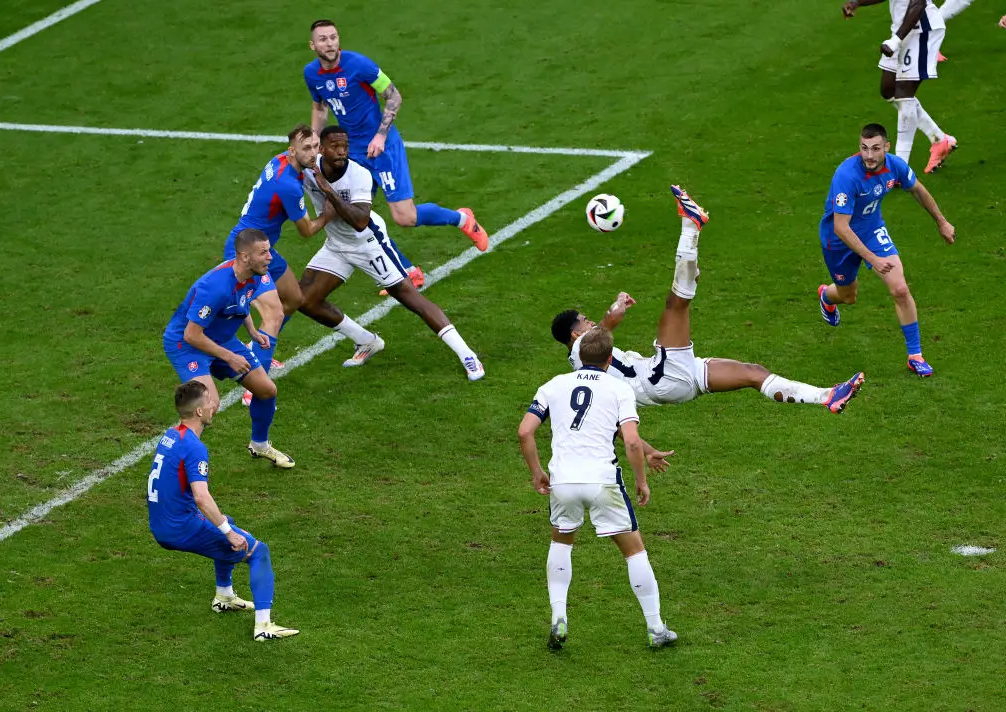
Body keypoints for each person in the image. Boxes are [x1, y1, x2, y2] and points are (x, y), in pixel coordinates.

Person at [552, 187, 865, 412]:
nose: (590, 322)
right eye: (584, 321)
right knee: (676, 303)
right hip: (658, 379)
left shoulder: (584, 354)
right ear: (574, 333)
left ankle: (827, 396)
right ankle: (691, 225)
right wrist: (614, 311)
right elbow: (605, 328)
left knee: (752, 372)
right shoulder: (580, 352)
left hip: (675, 378)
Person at [519, 326, 678, 650]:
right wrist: (642, 480)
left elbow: (525, 432)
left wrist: (536, 473)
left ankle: (559, 618)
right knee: (634, 550)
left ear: (579, 356)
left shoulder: (553, 385)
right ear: (609, 359)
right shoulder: (618, 389)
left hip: (562, 480)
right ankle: (656, 628)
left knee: (562, 544)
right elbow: (629, 438)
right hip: (603, 480)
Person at [304, 18, 489, 293]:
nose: (329, 43)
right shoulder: (312, 73)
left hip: (383, 147)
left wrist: (380, 135)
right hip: (352, 152)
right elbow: (320, 108)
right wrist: (314, 141)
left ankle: (462, 219)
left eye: (333, 37)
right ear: (313, 45)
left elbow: (394, 97)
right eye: (323, 39)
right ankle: (408, 271)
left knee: (405, 217)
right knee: (356, 217)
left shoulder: (360, 65)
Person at [299, 125, 485, 379]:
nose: (342, 151)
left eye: (345, 146)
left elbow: (360, 221)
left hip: (368, 243)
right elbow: (285, 166)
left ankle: (468, 355)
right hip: (336, 245)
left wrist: (327, 189)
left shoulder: (359, 175)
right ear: (321, 148)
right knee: (305, 299)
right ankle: (366, 341)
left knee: (410, 298)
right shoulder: (309, 168)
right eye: (335, 146)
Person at [146, 381, 299, 641]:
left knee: (226, 521)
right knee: (257, 550)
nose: (214, 405)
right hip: (181, 527)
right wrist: (229, 534)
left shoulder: (171, 435)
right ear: (198, 412)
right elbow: (202, 498)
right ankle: (264, 626)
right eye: (208, 402)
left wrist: (224, 526)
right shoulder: (195, 448)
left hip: (162, 521)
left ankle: (224, 595)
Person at [818, 123, 955, 376]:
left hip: (871, 231)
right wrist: (872, 259)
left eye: (875, 149)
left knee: (900, 289)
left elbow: (918, 190)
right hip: (839, 240)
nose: (869, 155)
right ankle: (827, 296)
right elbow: (841, 227)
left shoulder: (895, 166)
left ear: (887, 147)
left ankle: (915, 355)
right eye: (864, 148)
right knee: (848, 296)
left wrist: (942, 222)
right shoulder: (846, 175)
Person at [164, 228, 294, 467]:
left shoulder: (255, 275)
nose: (270, 257)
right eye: (263, 252)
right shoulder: (215, 287)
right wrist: (230, 358)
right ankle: (169, 458)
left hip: (221, 338)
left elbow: (240, 303)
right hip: (187, 345)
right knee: (206, 407)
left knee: (266, 390)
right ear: (245, 257)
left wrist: (253, 332)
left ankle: (260, 445)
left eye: (269, 251)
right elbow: (192, 335)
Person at [842, 0, 957, 173]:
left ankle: (899, 169)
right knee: (888, 90)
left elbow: (918, 5)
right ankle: (940, 140)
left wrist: (896, 41)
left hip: (921, 30)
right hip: (902, 30)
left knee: (904, 93)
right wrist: (857, 2)